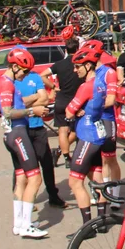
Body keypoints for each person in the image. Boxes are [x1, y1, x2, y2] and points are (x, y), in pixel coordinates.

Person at [0, 47, 49, 239]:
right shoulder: (6, 84)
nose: (25, 76)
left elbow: (16, 106)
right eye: (24, 71)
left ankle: (19, 223)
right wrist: (32, 112)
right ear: (14, 66)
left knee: (21, 178)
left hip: (13, 133)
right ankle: (26, 225)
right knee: (35, 178)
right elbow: (7, 111)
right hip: (18, 134)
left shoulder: (8, 82)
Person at [64, 41, 113, 233]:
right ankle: (102, 221)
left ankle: (88, 227)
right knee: (97, 179)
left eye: (77, 67)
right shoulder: (100, 84)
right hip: (98, 134)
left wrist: (76, 112)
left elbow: (69, 112)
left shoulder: (86, 86)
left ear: (88, 65)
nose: (75, 70)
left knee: (75, 182)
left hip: (87, 136)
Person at [13, 48, 70, 210]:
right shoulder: (11, 80)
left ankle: (53, 195)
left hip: (37, 128)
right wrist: (34, 100)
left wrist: (27, 102)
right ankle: (23, 199)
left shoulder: (35, 77)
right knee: (21, 167)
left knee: (46, 163)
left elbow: (45, 99)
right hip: (20, 128)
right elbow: (13, 106)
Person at [50, 28, 82, 168]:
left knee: (62, 130)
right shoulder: (80, 64)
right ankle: (59, 151)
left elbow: (42, 75)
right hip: (75, 101)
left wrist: (53, 86)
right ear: (78, 48)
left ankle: (65, 156)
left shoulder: (59, 64)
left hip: (61, 100)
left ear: (66, 50)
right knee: (75, 131)